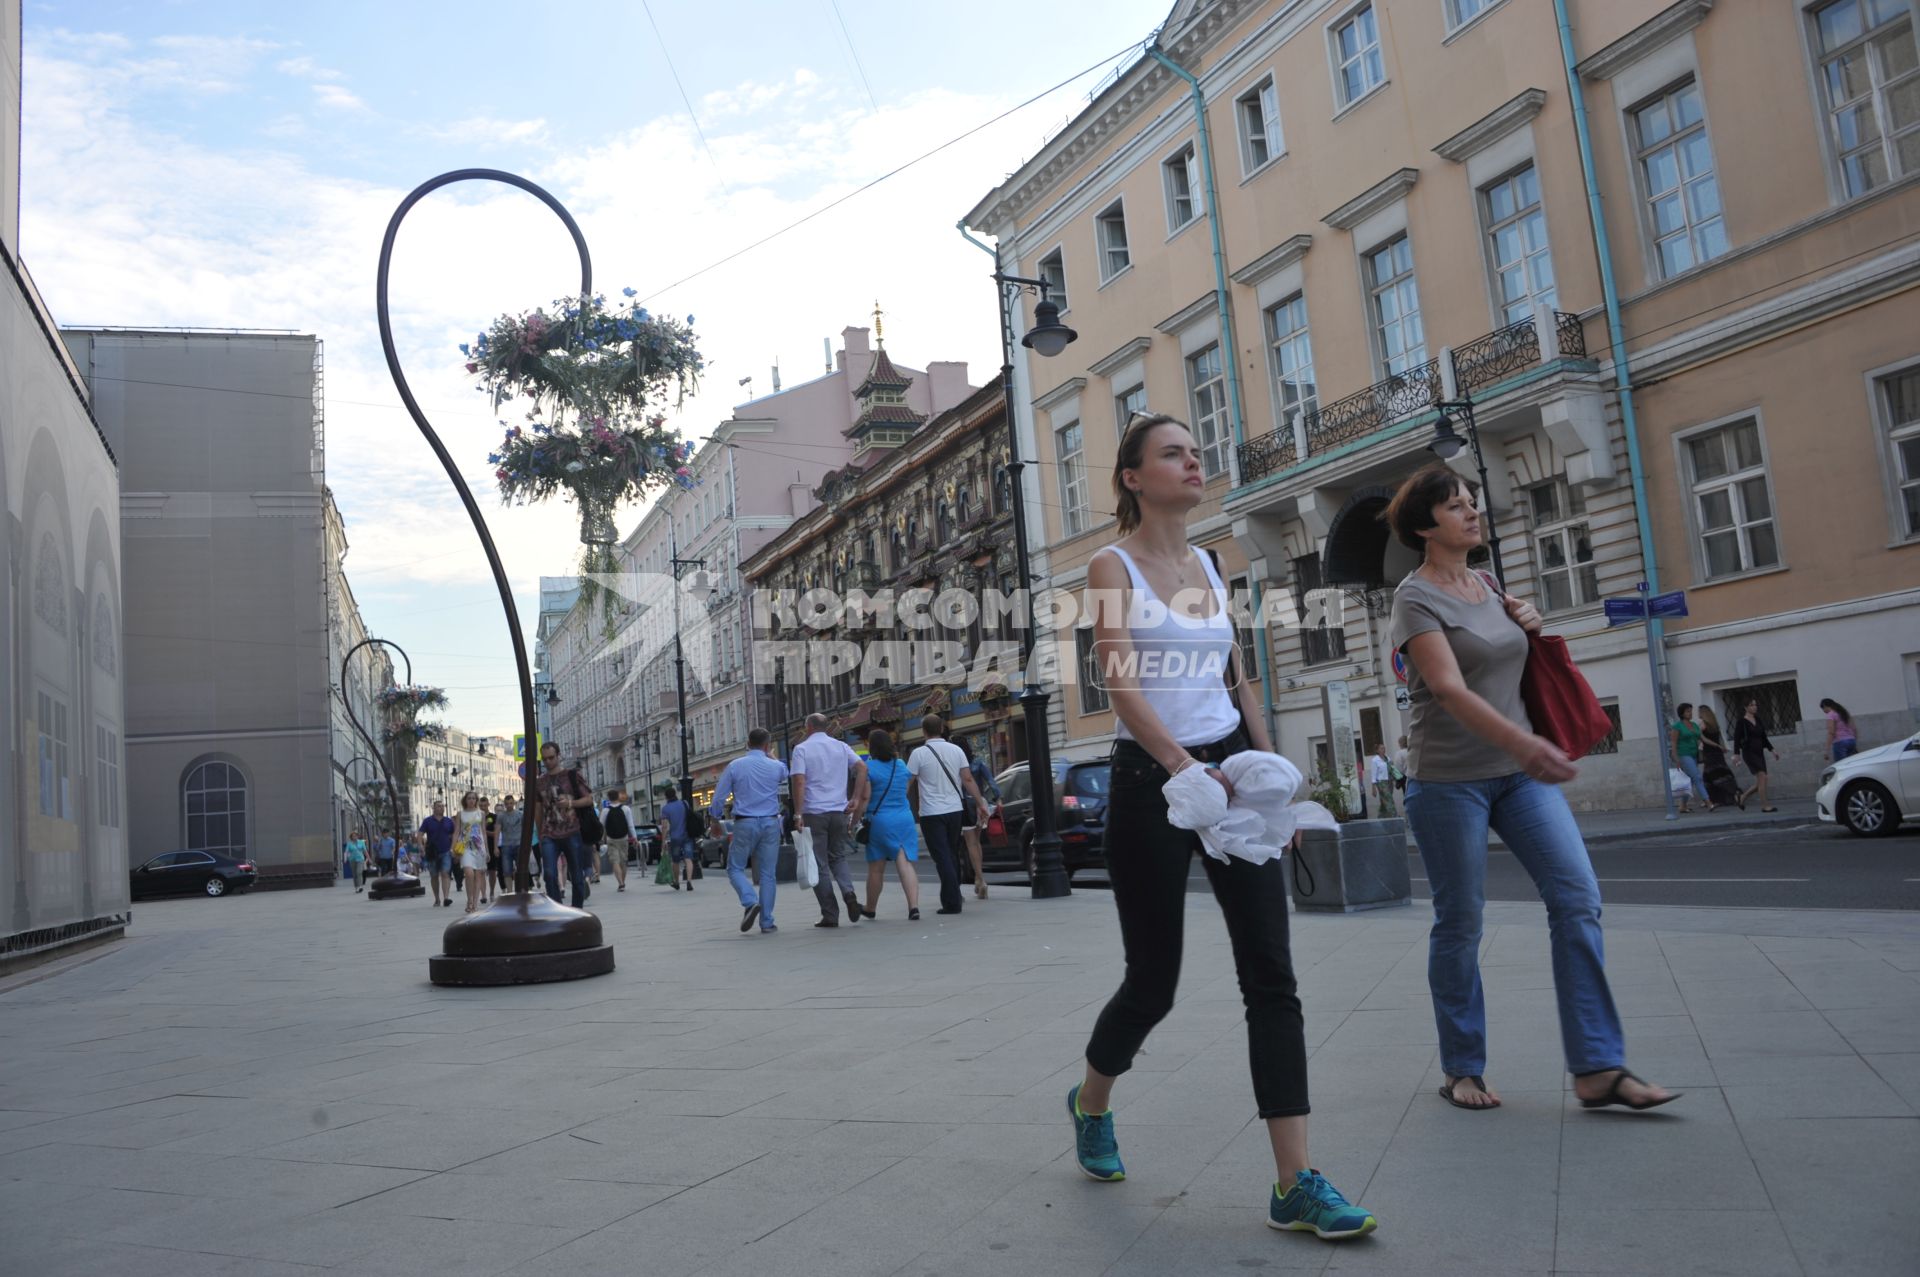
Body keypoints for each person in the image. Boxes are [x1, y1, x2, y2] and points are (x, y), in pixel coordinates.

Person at [1068, 412, 1375, 1242]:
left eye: (1194, 451)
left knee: (1271, 975)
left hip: (1230, 771)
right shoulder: (1112, 563)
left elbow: (1237, 676)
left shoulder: (1209, 561)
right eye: (1172, 452)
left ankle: (1294, 1181)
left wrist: (1271, 781)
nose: (1192, 460)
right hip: (1152, 778)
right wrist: (1179, 766)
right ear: (1134, 476)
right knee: (1154, 980)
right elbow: (1122, 687)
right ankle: (1091, 1101)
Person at [1385, 462, 1676, 1119]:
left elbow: (1510, 660)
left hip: (1519, 777)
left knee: (1577, 897)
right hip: (1447, 783)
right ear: (1427, 526)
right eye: (1458, 506)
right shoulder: (1414, 597)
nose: (1473, 512)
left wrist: (1532, 626)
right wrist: (1526, 744)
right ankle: (1462, 1066)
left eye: (1472, 502)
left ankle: (1598, 1067)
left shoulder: (1488, 583)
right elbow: (1451, 690)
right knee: (1460, 921)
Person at [790, 712, 871, 928]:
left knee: (819, 863)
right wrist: (855, 797)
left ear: (808, 727)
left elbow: (799, 781)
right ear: (826, 727)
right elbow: (862, 767)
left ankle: (830, 914)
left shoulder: (802, 749)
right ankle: (849, 893)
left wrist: (798, 813)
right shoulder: (841, 746)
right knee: (838, 857)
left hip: (814, 812)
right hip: (839, 811)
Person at [906, 715, 986, 916]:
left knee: (942, 857)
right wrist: (980, 802)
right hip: (954, 811)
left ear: (923, 731)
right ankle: (954, 895)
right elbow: (967, 779)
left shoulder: (918, 754)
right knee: (951, 853)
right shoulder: (956, 750)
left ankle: (952, 902)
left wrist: (898, 803)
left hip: (931, 813)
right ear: (942, 728)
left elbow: (908, 782)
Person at [713, 728, 788, 934]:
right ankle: (767, 922)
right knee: (768, 874)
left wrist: (715, 818)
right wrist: (770, 754)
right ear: (767, 745)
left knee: (735, 867)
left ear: (747, 743)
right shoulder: (775, 766)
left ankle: (749, 901)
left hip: (745, 822)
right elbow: (785, 772)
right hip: (771, 823)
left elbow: (719, 797)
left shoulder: (735, 765)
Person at [857, 728, 921, 921]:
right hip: (904, 818)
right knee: (905, 862)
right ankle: (913, 907)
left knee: (877, 867)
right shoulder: (901, 765)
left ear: (872, 746)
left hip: (880, 820)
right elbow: (907, 785)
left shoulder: (869, 767)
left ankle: (870, 907)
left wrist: (855, 819)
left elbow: (865, 797)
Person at [533, 741, 594, 907]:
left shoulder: (571, 775)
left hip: (572, 830)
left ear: (559, 756)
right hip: (549, 833)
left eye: (551, 758)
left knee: (576, 875)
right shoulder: (540, 782)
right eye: (544, 759)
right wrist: (540, 834)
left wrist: (570, 804)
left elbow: (588, 799)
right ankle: (557, 909)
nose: (548, 762)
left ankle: (577, 910)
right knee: (550, 875)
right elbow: (537, 810)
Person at [958, 739, 1000, 900]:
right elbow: (991, 781)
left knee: (970, 843)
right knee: (977, 841)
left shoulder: (957, 765)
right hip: (979, 802)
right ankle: (978, 878)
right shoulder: (978, 762)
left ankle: (981, 880)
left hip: (965, 804)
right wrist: (997, 798)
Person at [1735, 700, 1781, 812]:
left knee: (1762, 781)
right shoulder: (1741, 722)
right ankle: (1765, 806)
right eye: (1751, 705)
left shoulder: (1758, 719)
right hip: (1749, 753)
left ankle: (1742, 797)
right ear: (1746, 707)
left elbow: (1763, 738)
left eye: (1755, 704)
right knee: (1762, 777)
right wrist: (1736, 754)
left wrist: (1772, 750)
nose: (1755, 707)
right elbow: (1736, 739)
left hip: (1759, 752)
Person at [1697, 706, 1742, 810]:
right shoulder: (1714, 725)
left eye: (1699, 712)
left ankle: (1712, 799)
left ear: (1703, 713)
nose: (1697, 714)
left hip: (1709, 752)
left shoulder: (1702, 724)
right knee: (1721, 773)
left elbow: (1700, 738)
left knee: (1710, 775)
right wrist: (1721, 747)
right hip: (1718, 752)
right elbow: (1719, 738)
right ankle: (1730, 794)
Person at [1669, 704, 1710, 813]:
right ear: (1682, 713)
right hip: (1683, 754)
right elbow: (1673, 743)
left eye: (1691, 711)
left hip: (1693, 754)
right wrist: (1676, 758)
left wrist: (1717, 746)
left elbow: (1702, 738)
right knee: (1697, 777)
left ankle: (1683, 805)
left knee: (1690, 780)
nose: (1690, 713)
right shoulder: (1677, 726)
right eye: (1687, 711)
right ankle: (1708, 801)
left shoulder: (1694, 725)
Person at [417, 800, 457, 907]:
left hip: (446, 851)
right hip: (432, 852)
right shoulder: (427, 821)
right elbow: (420, 834)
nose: (441, 808)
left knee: (445, 873)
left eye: (443, 806)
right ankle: (437, 899)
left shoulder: (449, 821)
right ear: (433, 808)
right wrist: (421, 845)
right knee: (434, 876)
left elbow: (454, 835)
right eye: (439, 806)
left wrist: (453, 848)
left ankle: (446, 898)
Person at [456, 791, 488, 912]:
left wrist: (487, 851)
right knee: (469, 873)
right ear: (465, 800)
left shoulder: (481, 814)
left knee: (478, 875)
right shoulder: (460, 814)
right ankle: (469, 899)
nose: (471, 800)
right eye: (469, 798)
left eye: (474, 798)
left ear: (476, 800)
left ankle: (474, 904)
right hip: (465, 846)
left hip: (479, 847)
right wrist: (452, 847)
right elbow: (457, 831)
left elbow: (483, 832)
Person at [660, 785, 695, 891]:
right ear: (675, 794)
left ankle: (676, 882)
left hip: (675, 837)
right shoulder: (684, 803)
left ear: (666, 797)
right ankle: (689, 881)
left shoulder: (665, 809)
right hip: (687, 835)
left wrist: (663, 841)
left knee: (675, 861)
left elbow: (665, 827)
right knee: (688, 859)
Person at [603, 790, 633, 892]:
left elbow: (601, 825)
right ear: (618, 797)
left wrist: (599, 838)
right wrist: (635, 838)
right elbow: (630, 825)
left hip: (611, 838)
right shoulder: (626, 809)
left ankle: (620, 883)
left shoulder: (605, 810)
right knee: (623, 861)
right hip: (624, 838)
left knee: (615, 861)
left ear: (609, 798)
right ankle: (622, 882)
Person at [496, 796, 525, 887]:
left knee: (521, 869)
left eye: (511, 803)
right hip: (506, 846)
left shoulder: (520, 814)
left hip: (519, 844)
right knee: (507, 871)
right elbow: (497, 831)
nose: (509, 805)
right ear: (504, 804)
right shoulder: (501, 816)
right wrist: (495, 847)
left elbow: (525, 829)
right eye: (507, 804)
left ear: (514, 804)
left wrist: (528, 844)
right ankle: (509, 891)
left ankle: (520, 889)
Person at [1821, 698, 1857, 762]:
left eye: (1823, 708)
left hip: (1840, 742)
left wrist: (1827, 750)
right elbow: (1854, 728)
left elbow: (1831, 732)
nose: (1823, 711)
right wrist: (1854, 742)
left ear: (1825, 706)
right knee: (1850, 765)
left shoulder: (1831, 714)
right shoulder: (1843, 712)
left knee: (1841, 766)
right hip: (1851, 741)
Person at [1366, 742, 1396, 817]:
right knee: (1389, 799)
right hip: (1381, 782)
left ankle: (1381, 816)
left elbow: (1392, 770)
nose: (1384, 749)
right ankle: (1395, 816)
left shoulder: (1388, 758)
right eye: (1382, 748)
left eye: (1384, 748)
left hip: (1389, 781)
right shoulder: (1375, 760)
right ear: (1377, 750)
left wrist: (1395, 779)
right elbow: (1373, 774)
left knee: (1384, 800)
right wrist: (1373, 787)